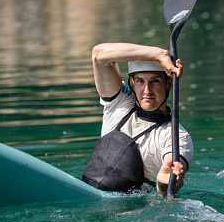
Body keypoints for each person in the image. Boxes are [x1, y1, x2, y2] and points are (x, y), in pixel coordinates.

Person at [81, 43, 194, 196]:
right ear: (133, 83)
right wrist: (159, 55)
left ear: (169, 84)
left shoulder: (176, 136)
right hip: (91, 193)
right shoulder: (119, 103)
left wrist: (164, 182)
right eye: (140, 81)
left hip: (136, 210)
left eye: (155, 81)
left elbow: (166, 187)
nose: (147, 91)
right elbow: (99, 54)